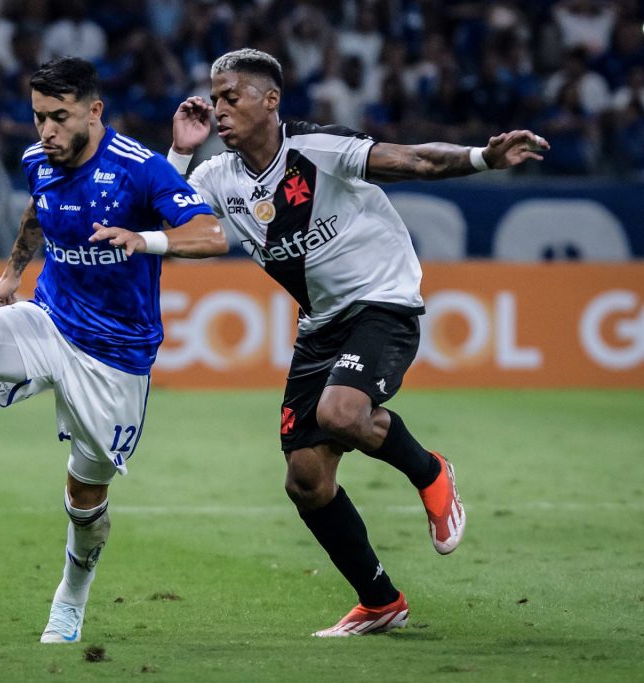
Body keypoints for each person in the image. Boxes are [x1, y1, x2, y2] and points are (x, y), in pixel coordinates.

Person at [167, 48, 548, 638]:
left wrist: (481, 156)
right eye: (213, 98)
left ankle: (430, 472)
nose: (218, 109)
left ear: (270, 100)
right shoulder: (218, 177)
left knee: (341, 413)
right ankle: (380, 600)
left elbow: (415, 161)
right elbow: (171, 221)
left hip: (383, 301)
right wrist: (181, 151)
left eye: (230, 97)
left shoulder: (317, 149)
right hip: (320, 324)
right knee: (305, 479)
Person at [0, 56, 227, 644]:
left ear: (94, 110)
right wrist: (10, 276)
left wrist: (144, 238)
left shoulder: (139, 167)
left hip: (115, 359)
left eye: (59, 117)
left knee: (85, 496)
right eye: (37, 118)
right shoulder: (38, 160)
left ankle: (71, 596)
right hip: (50, 319)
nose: (46, 131)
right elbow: (38, 210)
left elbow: (212, 234)